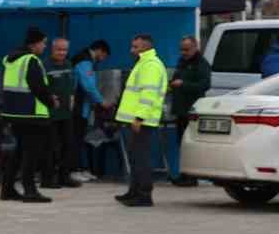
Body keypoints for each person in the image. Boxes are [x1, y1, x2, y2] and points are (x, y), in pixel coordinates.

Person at [0, 27, 55, 204]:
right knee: (31, 153)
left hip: (14, 112)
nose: (45, 46)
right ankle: (30, 190)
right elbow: (37, 87)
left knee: (19, 151)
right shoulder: (31, 60)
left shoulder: (10, 59)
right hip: (32, 113)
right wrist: (51, 101)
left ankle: (7, 189)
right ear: (35, 43)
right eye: (44, 43)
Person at [116, 33, 169, 208]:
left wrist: (139, 117)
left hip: (141, 121)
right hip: (136, 120)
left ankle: (144, 195)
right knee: (135, 158)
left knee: (141, 159)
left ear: (146, 47)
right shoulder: (144, 63)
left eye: (135, 47)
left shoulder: (150, 65)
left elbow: (148, 94)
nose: (132, 50)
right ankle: (134, 191)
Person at [166, 34, 211, 187]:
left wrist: (183, 84)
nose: (183, 52)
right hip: (181, 109)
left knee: (190, 144)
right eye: (181, 49)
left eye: (186, 49)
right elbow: (176, 79)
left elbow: (205, 85)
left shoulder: (201, 63)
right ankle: (184, 175)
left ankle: (191, 176)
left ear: (195, 47)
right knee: (182, 143)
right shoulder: (181, 62)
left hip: (193, 110)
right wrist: (172, 84)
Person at [41, 37, 82, 189]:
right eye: (59, 49)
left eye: (64, 50)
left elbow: (71, 85)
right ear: (52, 49)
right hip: (50, 113)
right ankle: (48, 179)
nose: (62, 52)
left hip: (66, 113)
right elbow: (41, 88)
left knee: (68, 144)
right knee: (51, 147)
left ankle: (64, 177)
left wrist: (72, 97)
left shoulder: (69, 64)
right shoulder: (44, 65)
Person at [71, 39, 111, 180]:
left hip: (83, 107)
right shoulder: (84, 61)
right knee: (75, 138)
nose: (103, 59)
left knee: (80, 138)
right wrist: (101, 101)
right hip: (77, 106)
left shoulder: (87, 61)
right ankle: (74, 170)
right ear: (100, 50)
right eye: (104, 55)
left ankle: (81, 168)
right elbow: (88, 85)